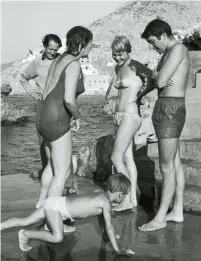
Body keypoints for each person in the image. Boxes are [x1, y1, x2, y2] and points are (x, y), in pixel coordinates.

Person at [1, 173, 134, 257]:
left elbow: (102, 220)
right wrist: (118, 250)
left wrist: (105, 234)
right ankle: (25, 234)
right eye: (125, 196)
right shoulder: (105, 202)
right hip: (56, 209)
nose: (124, 198)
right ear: (120, 194)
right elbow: (109, 226)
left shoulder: (99, 194)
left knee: (25, 220)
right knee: (57, 237)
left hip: (55, 203)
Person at [138, 19, 190, 231]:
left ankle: (159, 217)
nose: (152, 46)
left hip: (171, 108)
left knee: (166, 166)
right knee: (174, 164)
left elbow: (159, 82)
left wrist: (157, 75)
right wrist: (154, 77)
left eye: (152, 41)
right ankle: (176, 212)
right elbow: (155, 80)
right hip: (165, 107)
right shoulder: (166, 55)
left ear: (162, 34)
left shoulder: (178, 49)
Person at [34, 26, 93, 212]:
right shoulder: (73, 64)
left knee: (51, 167)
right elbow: (68, 98)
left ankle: (41, 203)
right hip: (57, 118)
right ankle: (52, 218)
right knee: (63, 172)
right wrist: (77, 116)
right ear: (83, 44)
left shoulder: (58, 59)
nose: (91, 48)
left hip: (44, 115)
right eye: (90, 44)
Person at [109, 36, 153, 211]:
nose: (118, 57)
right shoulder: (117, 67)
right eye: (114, 54)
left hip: (130, 115)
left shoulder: (136, 65)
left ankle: (126, 199)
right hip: (119, 116)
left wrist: (141, 96)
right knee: (128, 158)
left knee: (115, 157)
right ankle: (134, 198)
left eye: (120, 54)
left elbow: (154, 79)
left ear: (128, 51)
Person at [18, 34, 62, 177]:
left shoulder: (61, 60)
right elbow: (23, 78)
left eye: (56, 49)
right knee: (43, 142)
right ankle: (46, 170)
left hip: (59, 106)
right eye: (50, 49)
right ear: (44, 47)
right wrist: (32, 93)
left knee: (60, 142)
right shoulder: (37, 63)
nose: (53, 52)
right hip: (43, 106)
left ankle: (60, 174)